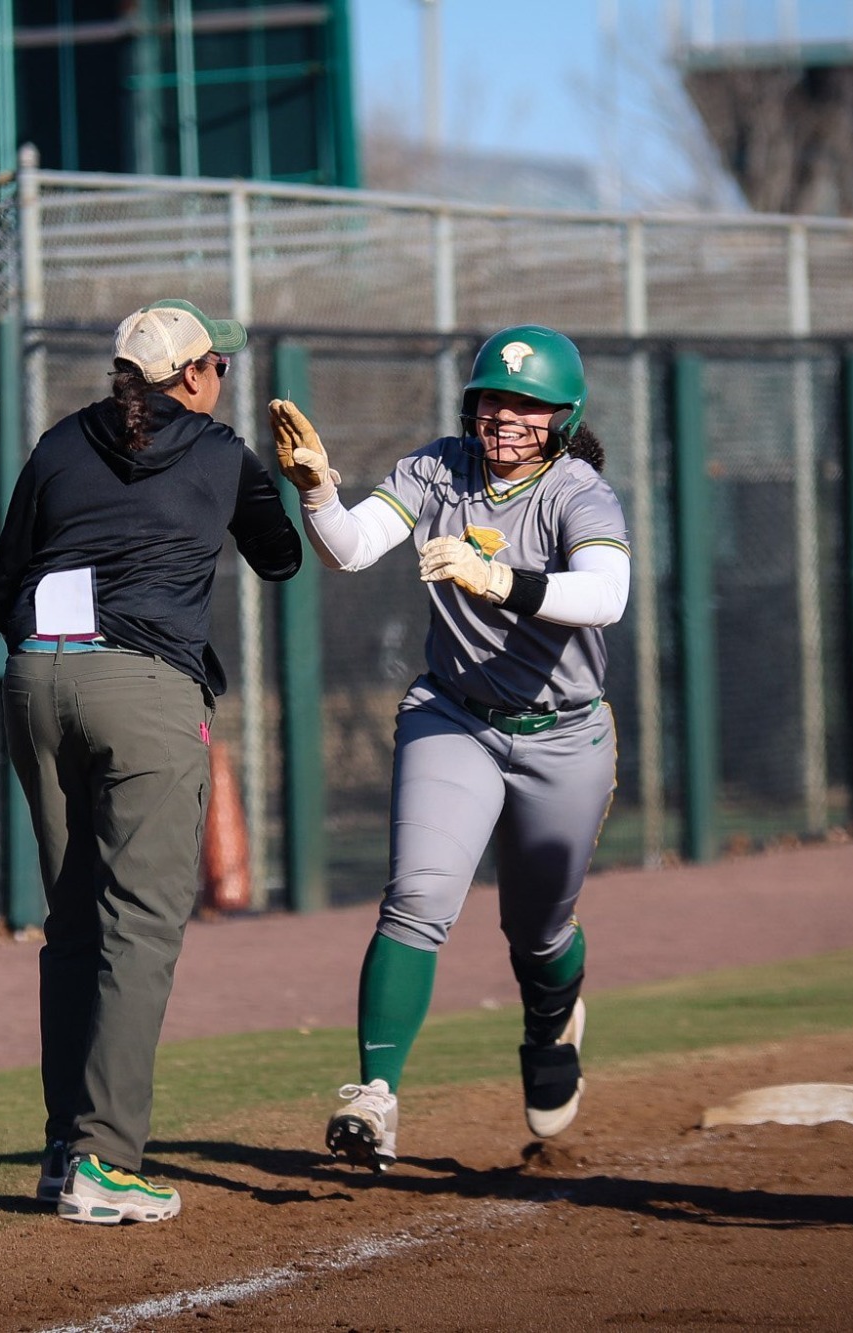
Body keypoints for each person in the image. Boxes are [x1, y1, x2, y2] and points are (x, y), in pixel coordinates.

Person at [268, 325, 630, 1172]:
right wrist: (318, 492)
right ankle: (375, 1094)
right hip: (455, 716)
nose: (507, 418)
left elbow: (606, 594)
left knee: (538, 929)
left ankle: (552, 1020)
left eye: (529, 406)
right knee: (418, 897)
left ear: (564, 417)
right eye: (494, 400)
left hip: (564, 733)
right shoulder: (439, 467)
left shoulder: (578, 491)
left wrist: (499, 579)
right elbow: (353, 548)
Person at [0, 297, 302, 1223]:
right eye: (218, 366)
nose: (224, 379)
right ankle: (104, 1158)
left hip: (37, 675)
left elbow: (4, 586)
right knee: (137, 927)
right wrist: (303, 481)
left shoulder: (59, 441)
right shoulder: (220, 451)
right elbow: (281, 558)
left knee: (75, 923)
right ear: (193, 376)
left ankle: (65, 1151)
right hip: (145, 688)